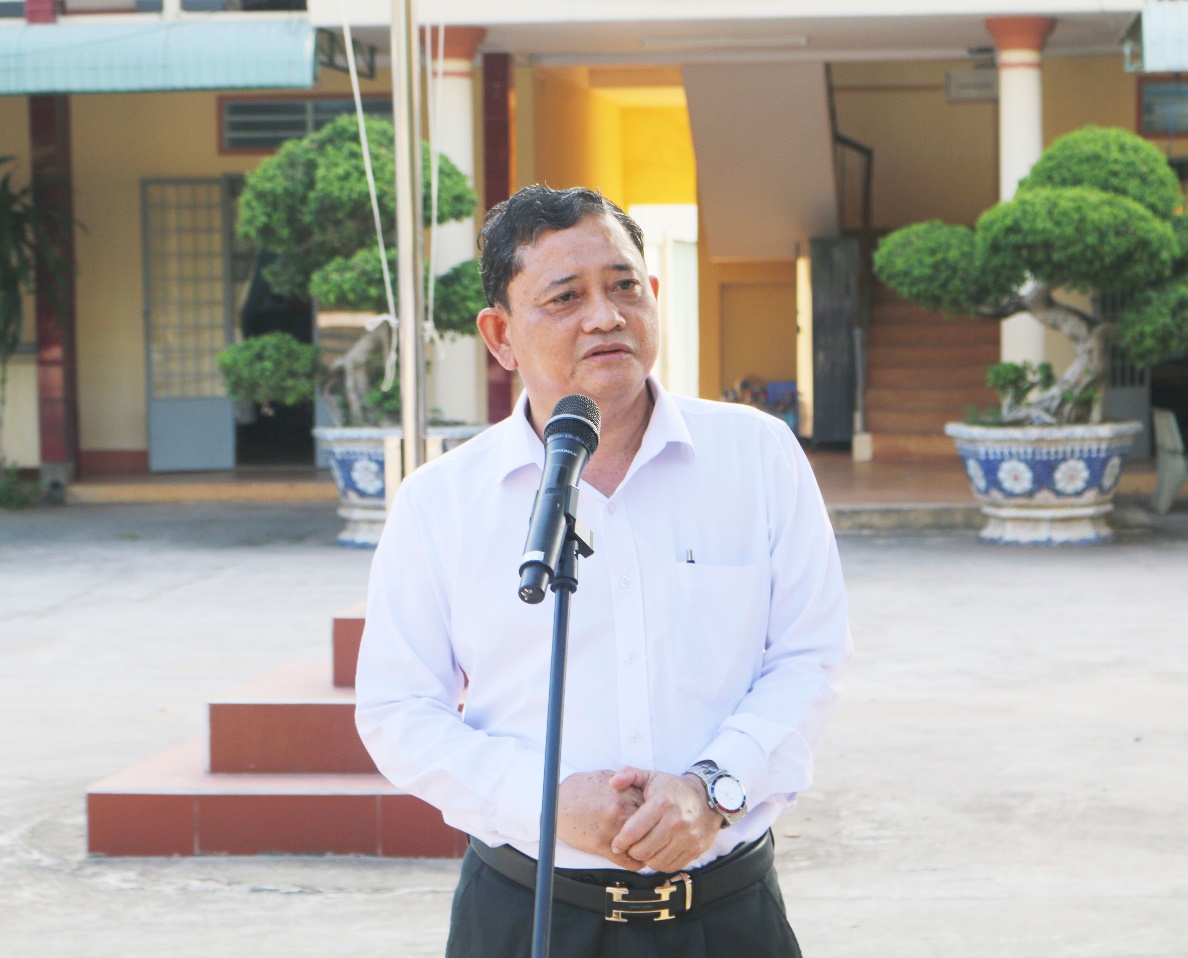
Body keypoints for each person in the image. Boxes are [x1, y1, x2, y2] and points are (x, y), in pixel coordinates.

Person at [354, 185, 849, 958]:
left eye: (623, 287)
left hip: (726, 914)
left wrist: (713, 788)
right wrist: (544, 802)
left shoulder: (756, 455)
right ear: (500, 335)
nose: (605, 316)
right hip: (527, 915)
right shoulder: (440, 501)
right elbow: (398, 707)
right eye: (564, 297)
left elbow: (808, 654)